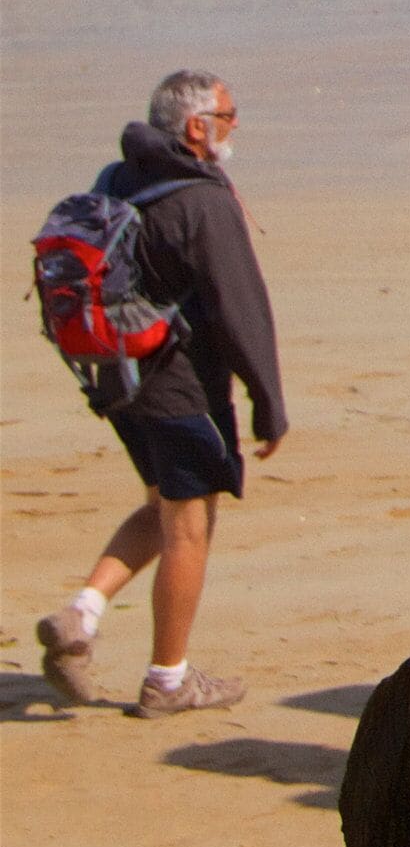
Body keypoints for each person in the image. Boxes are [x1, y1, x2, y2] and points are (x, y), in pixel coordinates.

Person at [34, 71, 286, 717]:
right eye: (229, 114)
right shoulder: (203, 202)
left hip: (119, 379)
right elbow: (242, 309)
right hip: (181, 386)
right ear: (197, 127)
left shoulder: (116, 178)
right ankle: (168, 681)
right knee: (190, 528)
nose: (235, 126)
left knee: (162, 507)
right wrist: (269, 403)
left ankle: (80, 617)